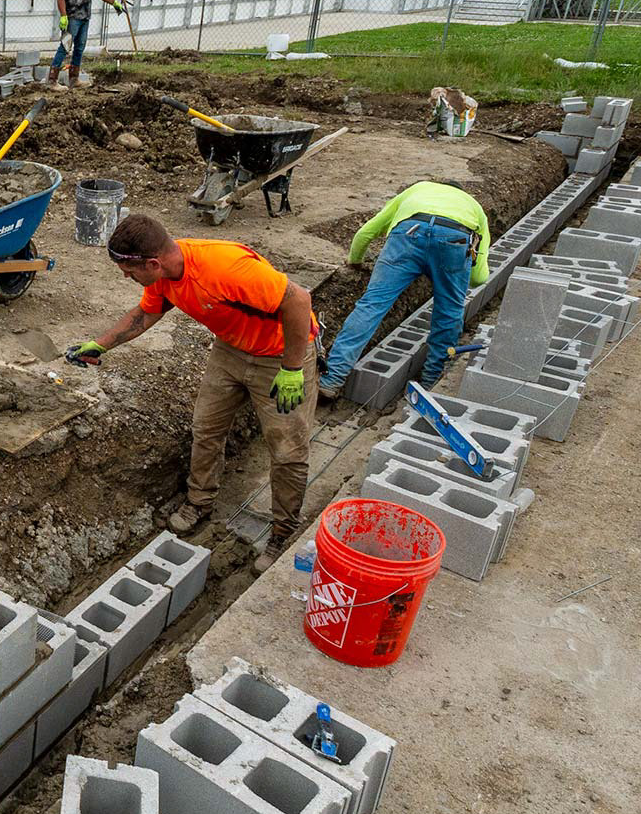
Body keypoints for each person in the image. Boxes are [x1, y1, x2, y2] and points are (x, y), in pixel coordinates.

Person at [66, 213, 319, 570]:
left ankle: (282, 531)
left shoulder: (226, 268)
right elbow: (146, 313)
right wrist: (101, 344)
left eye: (130, 271)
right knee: (206, 428)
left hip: (281, 355)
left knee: (287, 448)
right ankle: (199, 501)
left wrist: (292, 368)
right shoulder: (163, 276)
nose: (127, 277)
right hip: (230, 350)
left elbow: (298, 301)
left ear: (153, 262)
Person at [318, 181, 491, 400]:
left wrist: (355, 262)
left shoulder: (416, 189)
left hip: (408, 233)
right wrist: (451, 273)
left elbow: (365, 232)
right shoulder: (475, 208)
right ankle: (430, 383)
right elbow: (479, 278)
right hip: (455, 238)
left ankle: (331, 379)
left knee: (372, 305)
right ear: (460, 194)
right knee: (449, 312)